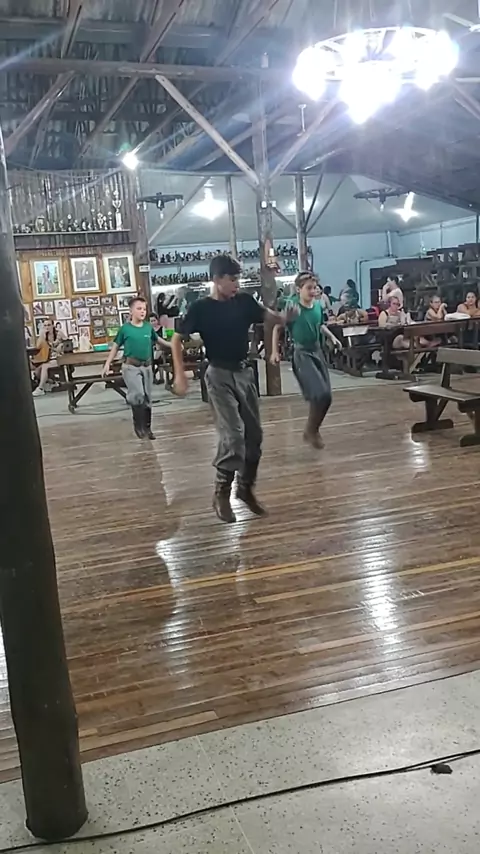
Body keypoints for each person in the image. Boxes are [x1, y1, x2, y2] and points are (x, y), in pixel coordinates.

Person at [171, 253, 294, 524]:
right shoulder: (201, 308)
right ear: (217, 279)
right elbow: (177, 340)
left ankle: (245, 488)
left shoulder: (245, 302)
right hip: (218, 375)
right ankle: (221, 492)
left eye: (238, 279)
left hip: (244, 373)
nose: (237, 284)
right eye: (232, 279)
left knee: (254, 436)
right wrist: (180, 375)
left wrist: (284, 317)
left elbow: (270, 317)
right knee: (233, 435)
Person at [271, 272, 342, 449]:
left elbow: (320, 325)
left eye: (315, 287)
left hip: (317, 351)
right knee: (319, 394)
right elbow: (277, 328)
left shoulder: (317, 305)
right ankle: (311, 430)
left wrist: (332, 337)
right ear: (298, 289)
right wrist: (274, 352)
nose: (313, 291)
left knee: (326, 397)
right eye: (309, 288)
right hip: (302, 353)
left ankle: (312, 430)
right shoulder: (293, 307)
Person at [102, 296, 170, 440]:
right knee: (138, 394)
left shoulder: (148, 327)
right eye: (139, 309)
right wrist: (108, 363)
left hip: (147, 366)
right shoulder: (125, 329)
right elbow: (115, 346)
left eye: (144, 309)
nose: (142, 311)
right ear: (131, 311)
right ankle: (138, 425)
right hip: (131, 367)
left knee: (147, 397)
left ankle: (147, 427)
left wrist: (172, 346)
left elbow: (158, 340)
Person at [32, 319, 66, 396]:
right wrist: (42, 337)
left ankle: (40, 388)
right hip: (47, 358)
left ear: (53, 326)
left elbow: (68, 342)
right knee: (37, 371)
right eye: (45, 325)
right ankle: (52, 382)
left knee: (45, 367)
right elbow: (38, 347)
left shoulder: (59, 333)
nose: (47, 327)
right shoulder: (44, 335)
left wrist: (62, 346)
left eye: (49, 325)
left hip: (59, 358)